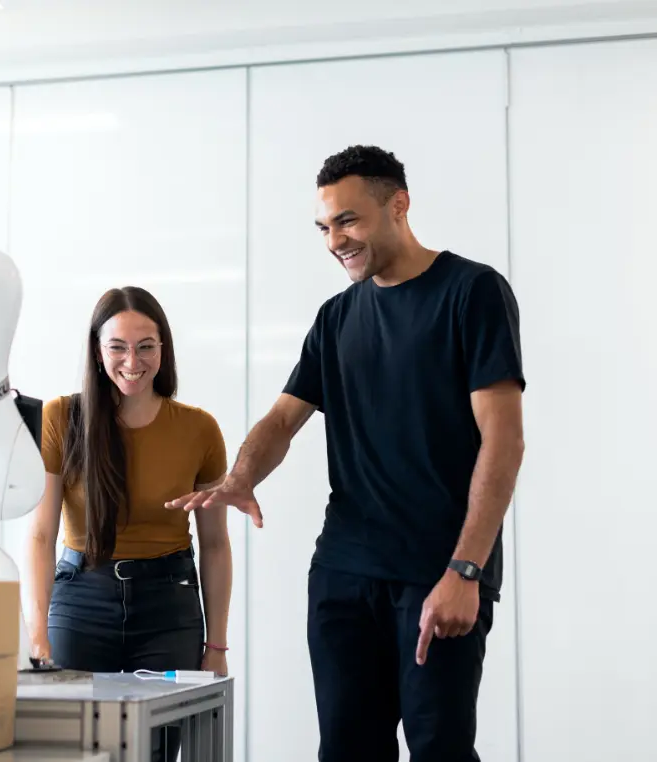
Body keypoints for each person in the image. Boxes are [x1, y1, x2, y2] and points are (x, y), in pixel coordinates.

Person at [167, 145, 525, 762]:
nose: (335, 239)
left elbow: (504, 440)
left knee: (440, 748)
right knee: (346, 750)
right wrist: (240, 476)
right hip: (344, 572)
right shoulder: (336, 318)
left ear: (399, 206)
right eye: (325, 226)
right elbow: (284, 418)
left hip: (437, 572)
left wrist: (466, 571)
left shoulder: (472, 293)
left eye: (349, 220)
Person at [26, 286, 232, 762]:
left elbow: (216, 546)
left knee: (155, 753)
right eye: (117, 346)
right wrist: (37, 631)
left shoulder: (199, 429)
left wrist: (216, 643)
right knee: (72, 752)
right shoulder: (63, 417)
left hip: (169, 609)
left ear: (164, 350)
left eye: (146, 346)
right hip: (81, 601)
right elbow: (40, 534)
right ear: (98, 352)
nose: (132, 361)